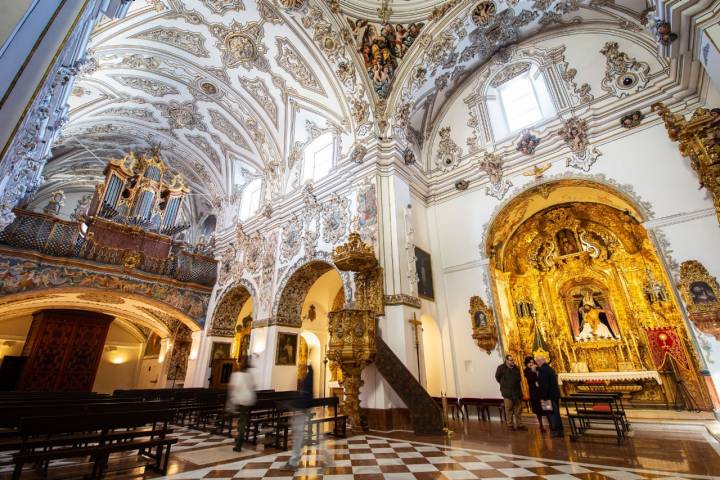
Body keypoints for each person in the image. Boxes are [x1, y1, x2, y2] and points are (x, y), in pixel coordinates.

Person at [226, 358, 256, 452]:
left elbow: (232, 386)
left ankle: (239, 442)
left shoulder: (237, 375)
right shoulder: (249, 375)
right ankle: (240, 437)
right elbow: (253, 386)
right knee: (243, 419)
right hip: (248, 399)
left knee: (241, 420)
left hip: (240, 399)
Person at [494, 355, 526, 430]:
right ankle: (510, 425)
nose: (512, 362)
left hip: (517, 391)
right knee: (509, 409)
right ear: (506, 360)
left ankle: (519, 425)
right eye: (511, 360)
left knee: (518, 409)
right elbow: (497, 377)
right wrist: (504, 384)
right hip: (507, 392)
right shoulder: (501, 368)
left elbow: (519, 378)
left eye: (513, 360)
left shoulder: (516, 368)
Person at [536, 354, 563, 437]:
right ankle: (558, 430)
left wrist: (543, 397)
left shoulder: (542, 370)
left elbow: (544, 385)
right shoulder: (549, 368)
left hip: (548, 397)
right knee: (555, 413)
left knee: (551, 413)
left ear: (539, 361)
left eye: (537, 361)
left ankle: (557, 431)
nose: (537, 363)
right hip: (553, 395)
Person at [523, 356, 547, 433]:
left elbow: (542, 377)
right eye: (529, 362)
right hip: (534, 392)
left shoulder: (538, 368)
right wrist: (533, 371)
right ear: (526, 364)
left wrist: (537, 372)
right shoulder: (526, 370)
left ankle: (551, 423)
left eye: (532, 362)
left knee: (546, 407)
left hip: (542, 391)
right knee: (538, 409)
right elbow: (530, 378)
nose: (531, 364)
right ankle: (541, 425)